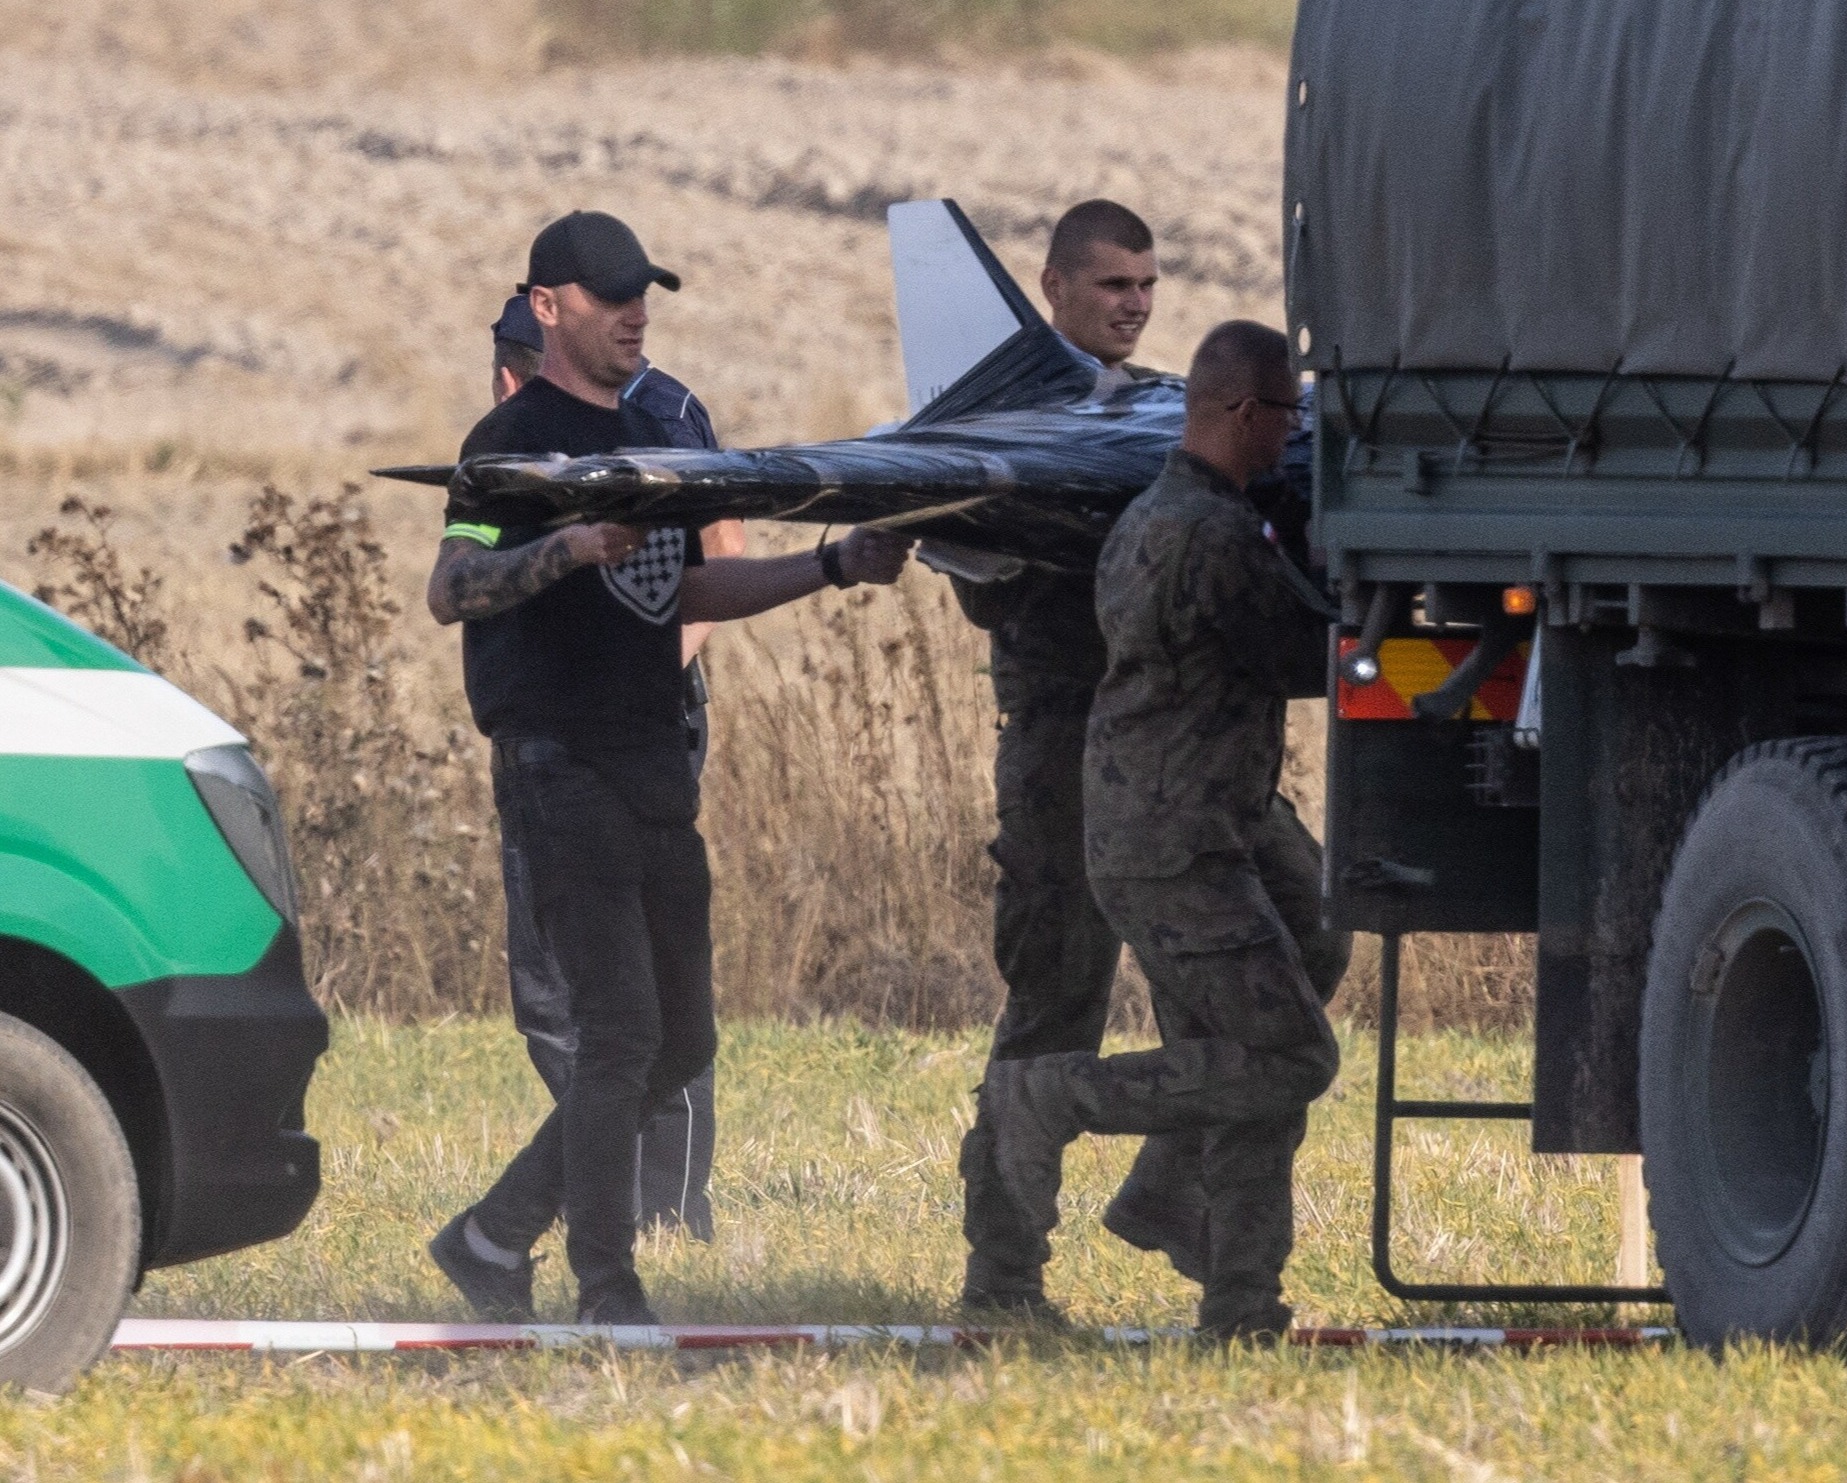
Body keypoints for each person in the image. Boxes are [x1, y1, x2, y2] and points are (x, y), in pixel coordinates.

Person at [427, 210, 912, 1325]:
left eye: (643, 291)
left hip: (652, 761)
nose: (635, 312)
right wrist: (563, 546)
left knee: (680, 1037)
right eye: (609, 296)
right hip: (557, 763)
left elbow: (684, 592)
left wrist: (833, 563)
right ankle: (608, 1285)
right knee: (621, 1033)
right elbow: (452, 588)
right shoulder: (509, 447)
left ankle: (492, 1234)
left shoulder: (659, 434)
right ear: (548, 308)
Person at [981, 320, 1352, 1341]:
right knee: (1289, 1057)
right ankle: (1056, 1097)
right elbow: (1302, 651)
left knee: (1288, 982)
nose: (1291, 437)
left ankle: (1235, 1295)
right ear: (1244, 414)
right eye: (1284, 417)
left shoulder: (1156, 514)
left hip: (1202, 821)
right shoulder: (1212, 537)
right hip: (1176, 838)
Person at [950, 200, 1204, 1316]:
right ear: (1050, 286)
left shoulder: (1147, 413)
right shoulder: (1018, 420)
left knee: (1269, 969)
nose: (1135, 306)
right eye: (1112, 287)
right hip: (1061, 750)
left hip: (1171, 744)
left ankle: (1167, 1187)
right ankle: (1002, 1275)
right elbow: (972, 578)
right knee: (1059, 1000)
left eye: (1147, 286)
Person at [484, 293, 740, 1242]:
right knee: (577, 994)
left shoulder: (663, 417)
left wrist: (631, 677)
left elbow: (724, 557)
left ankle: (660, 1208)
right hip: (560, 731)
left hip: (634, 732)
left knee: (635, 998)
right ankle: (597, 1200)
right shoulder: (532, 432)